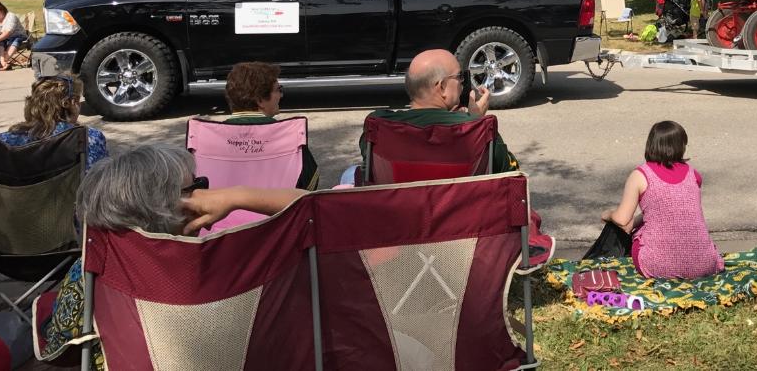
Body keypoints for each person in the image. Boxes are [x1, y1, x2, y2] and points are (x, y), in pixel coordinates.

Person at [37, 144, 308, 368]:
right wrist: (237, 195)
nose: (206, 193)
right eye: (197, 186)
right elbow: (316, 207)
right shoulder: (236, 268)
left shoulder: (93, 268)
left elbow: (58, 344)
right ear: (180, 207)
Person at [346, 48, 517, 184]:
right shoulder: (479, 129)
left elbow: (371, 167)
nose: (463, 84)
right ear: (442, 87)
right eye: (459, 77)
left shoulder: (378, 124)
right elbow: (512, 175)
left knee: (349, 174)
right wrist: (475, 120)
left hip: (398, 221)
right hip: (465, 223)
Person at [599, 120, 724, 279]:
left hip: (658, 266)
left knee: (640, 236)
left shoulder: (640, 175)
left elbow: (622, 220)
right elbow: (669, 211)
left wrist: (608, 214)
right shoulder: (694, 175)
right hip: (704, 264)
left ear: (651, 144)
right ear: (681, 146)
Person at [220, 61, 318, 190]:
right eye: (278, 89)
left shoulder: (208, 136)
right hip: (281, 209)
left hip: (223, 208)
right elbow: (310, 184)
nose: (281, 95)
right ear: (260, 100)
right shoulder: (287, 135)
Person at [0, 75, 108, 170]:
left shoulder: (3, 142)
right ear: (70, 103)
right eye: (78, 100)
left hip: (21, 196)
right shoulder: (88, 138)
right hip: (72, 195)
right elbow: (99, 182)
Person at [0, 1, 26, 70]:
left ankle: (3, 62)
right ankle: (3, 62)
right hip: (2, 38)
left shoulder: (10, 16)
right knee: (0, 41)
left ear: (2, 9)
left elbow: (8, 32)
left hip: (18, 36)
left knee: (15, 40)